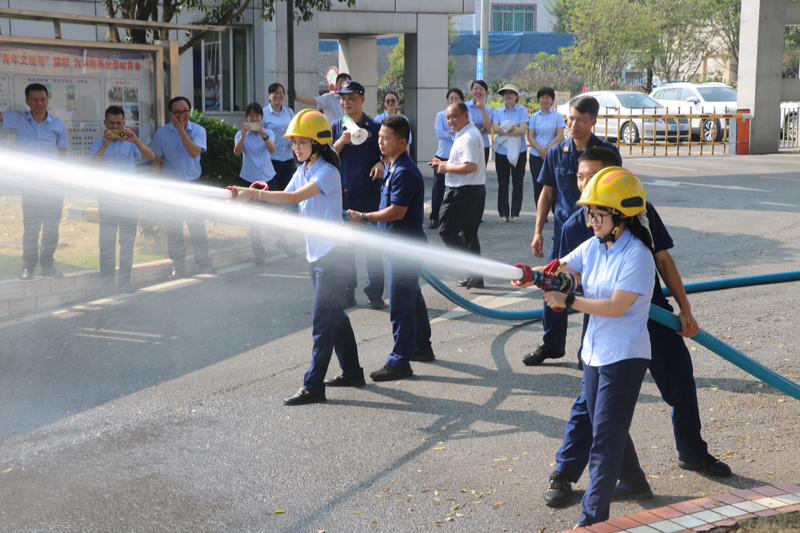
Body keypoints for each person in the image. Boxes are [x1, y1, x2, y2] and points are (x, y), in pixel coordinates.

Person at [541, 148, 731, 511]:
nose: (586, 189)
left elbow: (661, 259)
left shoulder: (638, 217)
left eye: (593, 178)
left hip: (647, 315)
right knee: (594, 408)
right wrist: (548, 281)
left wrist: (685, 309)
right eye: (580, 179)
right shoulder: (580, 224)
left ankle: (692, 452)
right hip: (602, 325)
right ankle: (566, 473)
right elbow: (568, 275)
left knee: (677, 379)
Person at [522, 166, 656, 527]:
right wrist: (539, 276)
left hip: (625, 355)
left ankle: (590, 520)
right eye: (589, 212)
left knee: (604, 442)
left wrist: (568, 301)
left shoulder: (637, 255)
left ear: (621, 215)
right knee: (604, 427)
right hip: (596, 354)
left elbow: (615, 307)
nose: (590, 220)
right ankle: (635, 481)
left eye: (598, 213)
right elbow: (566, 265)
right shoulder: (598, 245)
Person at [230, 109, 363, 406]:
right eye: (293, 143)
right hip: (316, 255)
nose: (296, 148)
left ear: (317, 143)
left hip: (334, 256)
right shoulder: (303, 169)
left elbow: (292, 199)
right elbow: (284, 200)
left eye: (301, 142)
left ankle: (313, 385)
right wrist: (257, 198)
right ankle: (353, 372)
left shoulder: (327, 172)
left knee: (322, 323)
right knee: (335, 318)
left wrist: (254, 196)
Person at [524, 95, 620, 366]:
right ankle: (551, 345)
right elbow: (547, 193)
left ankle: (588, 351)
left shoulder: (606, 153)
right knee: (551, 282)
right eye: (569, 118)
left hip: (599, 233)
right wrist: (537, 231)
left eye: (579, 119)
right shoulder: (557, 151)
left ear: (593, 120)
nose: (572, 124)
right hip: (565, 234)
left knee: (594, 289)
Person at [346, 115, 434, 381]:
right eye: (380, 137)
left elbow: (397, 212)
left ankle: (400, 361)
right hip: (400, 247)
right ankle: (421, 345)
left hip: (404, 249)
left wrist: (364, 216)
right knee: (412, 296)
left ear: (402, 142)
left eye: (386, 138)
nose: (380, 142)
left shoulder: (405, 171)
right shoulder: (393, 166)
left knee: (401, 304)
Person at [0, 83, 69, 280]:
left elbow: (62, 153)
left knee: (50, 229)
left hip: (53, 186)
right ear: (27, 101)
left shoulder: (58, 124)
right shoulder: (19, 119)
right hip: (31, 185)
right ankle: (28, 267)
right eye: (35, 100)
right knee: (31, 228)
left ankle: (48, 266)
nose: (39, 103)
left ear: (48, 100)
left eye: (43, 99)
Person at [332, 80, 386, 310]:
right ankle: (347, 292)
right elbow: (327, 158)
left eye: (351, 98)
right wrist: (342, 141)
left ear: (362, 99)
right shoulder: (336, 126)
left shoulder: (375, 127)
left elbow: (389, 154)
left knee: (373, 249)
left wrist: (382, 163)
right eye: (342, 98)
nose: (345, 103)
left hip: (370, 197)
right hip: (344, 197)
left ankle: (374, 294)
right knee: (346, 249)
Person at [89, 105, 155, 295]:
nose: (116, 127)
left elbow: (150, 157)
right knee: (107, 243)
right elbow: (91, 167)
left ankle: (125, 282)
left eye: (119, 123)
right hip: (108, 200)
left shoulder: (130, 143)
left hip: (129, 201)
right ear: (105, 124)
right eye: (112, 123)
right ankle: (106, 285)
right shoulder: (98, 144)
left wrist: (136, 141)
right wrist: (104, 145)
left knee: (127, 243)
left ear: (124, 124)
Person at [151, 95, 214, 280]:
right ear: (171, 113)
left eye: (185, 111)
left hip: (193, 185)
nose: (181, 116)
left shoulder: (199, 130)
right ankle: (178, 267)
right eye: (177, 112)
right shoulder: (161, 134)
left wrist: (180, 131)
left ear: (190, 111)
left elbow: (194, 151)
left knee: (197, 227)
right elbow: (156, 163)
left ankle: (204, 263)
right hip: (171, 188)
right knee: (174, 229)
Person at [429, 102, 486, 290]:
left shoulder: (468, 136)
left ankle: (473, 270)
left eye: (454, 116)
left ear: (466, 116)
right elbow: (463, 162)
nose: (450, 121)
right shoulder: (464, 134)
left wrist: (446, 167)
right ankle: (476, 276)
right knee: (469, 234)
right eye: (447, 117)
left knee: (446, 230)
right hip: (472, 190)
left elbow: (471, 166)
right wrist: (444, 163)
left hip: (464, 191)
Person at [233, 102, 277, 265]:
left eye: (257, 116)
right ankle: (259, 253)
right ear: (246, 117)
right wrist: (244, 135)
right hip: (249, 179)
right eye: (251, 116)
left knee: (271, 213)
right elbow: (237, 152)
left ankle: (278, 242)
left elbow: (271, 149)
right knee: (253, 219)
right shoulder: (239, 134)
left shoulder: (269, 132)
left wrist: (264, 135)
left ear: (261, 118)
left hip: (267, 176)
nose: (254, 118)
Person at [262, 83, 298, 258]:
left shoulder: (289, 112)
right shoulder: (264, 114)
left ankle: (281, 237)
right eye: (275, 93)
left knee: (285, 198)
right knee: (274, 197)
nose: (279, 96)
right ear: (269, 95)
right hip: (272, 161)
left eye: (281, 93)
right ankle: (276, 233)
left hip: (288, 158)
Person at [491, 83, 529, 223]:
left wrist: (506, 129)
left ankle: (515, 213)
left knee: (518, 182)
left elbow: (522, 130)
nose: (508, 95)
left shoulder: (522, 110)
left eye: (511, 93)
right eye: (505, 93)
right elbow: (496, 129)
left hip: (520, 151)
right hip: (502, 151)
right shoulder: (498, 112)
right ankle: (503, 214)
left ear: (517, 96)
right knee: (503, 182)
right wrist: (513, 128)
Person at [527, 87, 565, 223]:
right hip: (536, 155)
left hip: (553, 155)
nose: (545, 100)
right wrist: (540, 150)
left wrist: (547, 149)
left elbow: (560, 136)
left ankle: (557, 214)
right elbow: (530, 136)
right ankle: (541, 215)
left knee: (554, 185)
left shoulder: (557, 116)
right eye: (542, 97)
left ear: (552, 100)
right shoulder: (534, 117)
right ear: (538, 100)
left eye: (548, 97)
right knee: (538, 185)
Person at [430, 88, 464, 230]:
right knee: (438, 190)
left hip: (457, 158)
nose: (453, 101)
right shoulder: (440, 115)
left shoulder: (464, 117)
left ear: (461, 101)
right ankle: (434, 218)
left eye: (456, 98)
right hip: (441, 156)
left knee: (456, 190)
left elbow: (463, 132)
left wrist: (450, 132)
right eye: (451, 98)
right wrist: (453, 134)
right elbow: (439, 132)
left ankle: (455, 219)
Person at [464, 80, 493, 164]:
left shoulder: (489, 109)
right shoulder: (465, 106)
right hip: (468, 143)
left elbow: (487, 127)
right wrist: (479, 131)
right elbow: (464, 126)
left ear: (485, 92)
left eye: (481, 89)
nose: (478, 91)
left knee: (481, 172)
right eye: (475, 89)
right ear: (471, 91)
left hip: (483, 145)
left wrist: (482, 108)